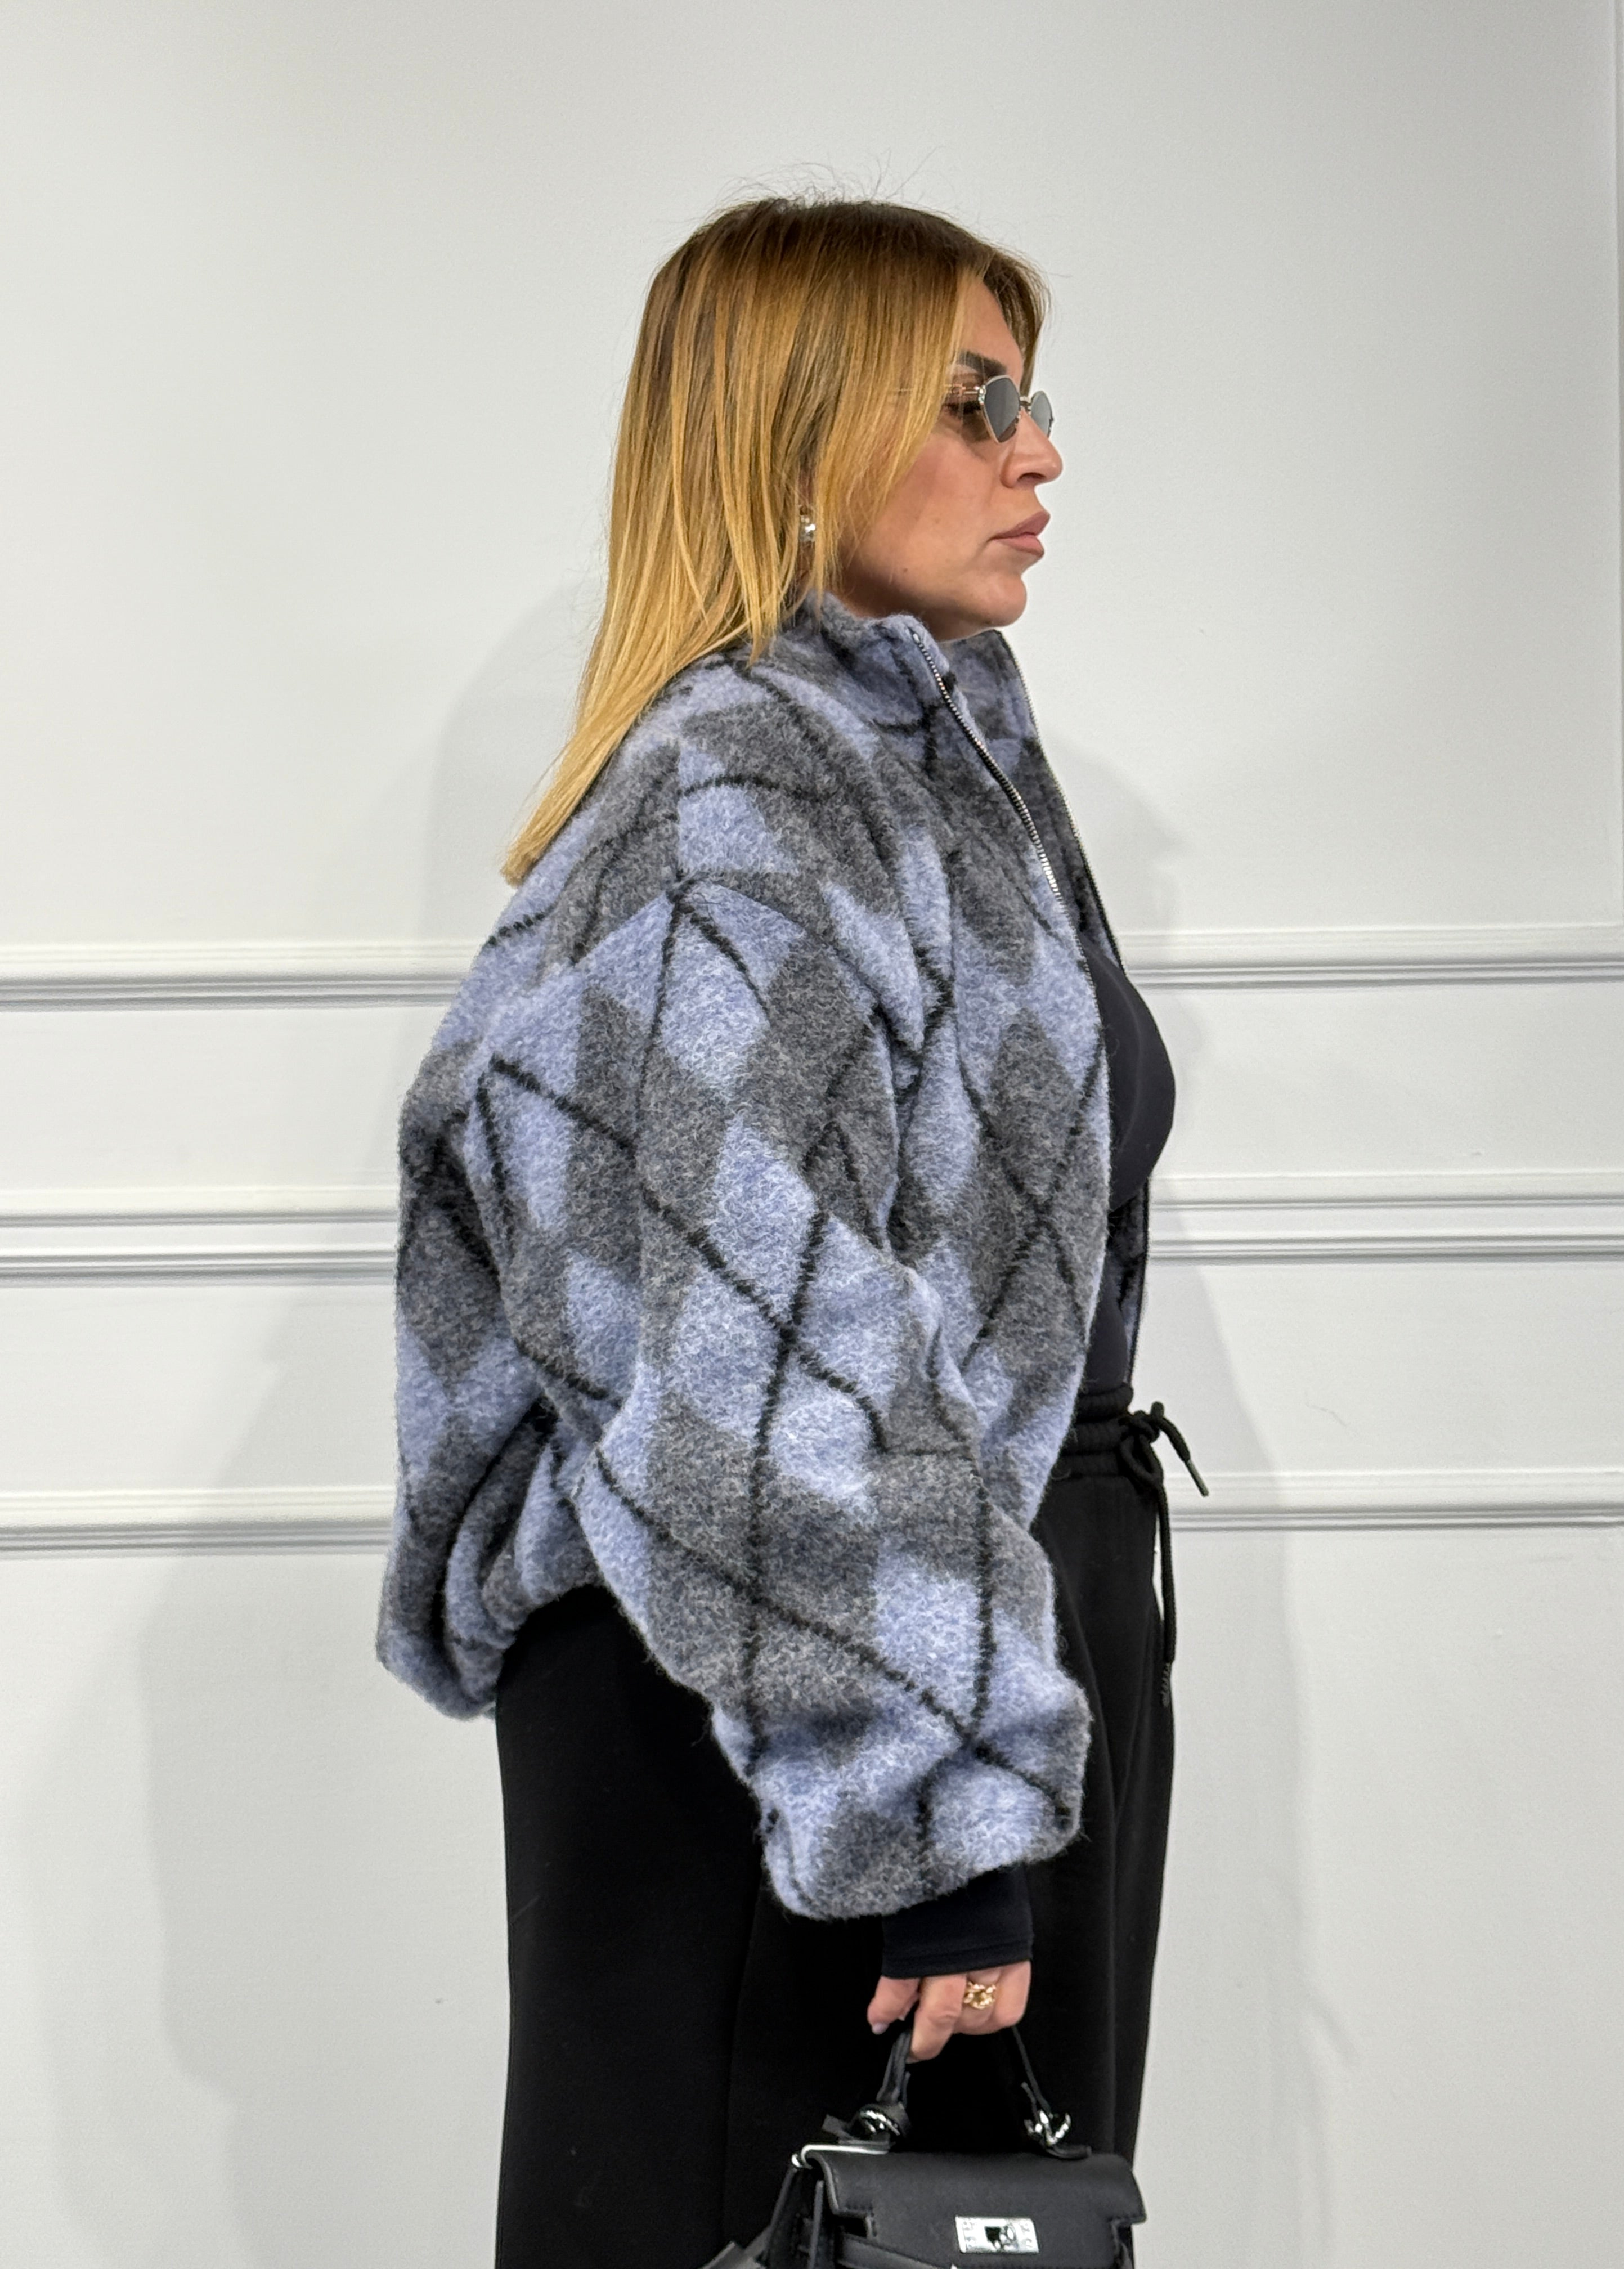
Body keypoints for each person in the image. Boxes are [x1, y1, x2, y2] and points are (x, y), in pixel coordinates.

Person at [377, 194, 1193, 2269]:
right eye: (972, 400)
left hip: (958, 1658)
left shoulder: (936, 757)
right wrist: (930, 1808)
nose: (1038, 451)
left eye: (1033, 398)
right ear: (797, 427)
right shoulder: (739, 792)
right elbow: (734, 1348)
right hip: (807, 1715)